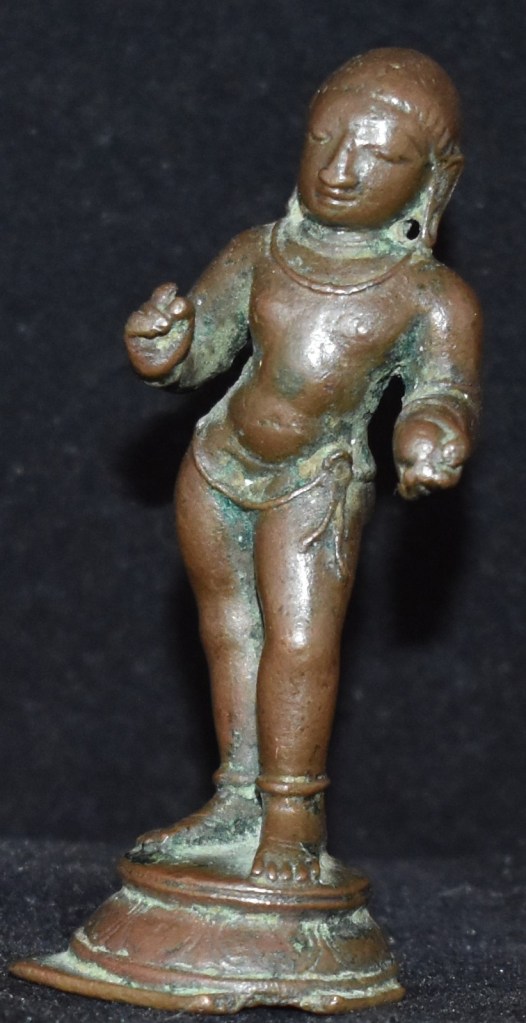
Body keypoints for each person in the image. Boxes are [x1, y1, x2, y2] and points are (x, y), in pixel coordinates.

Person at [124, 48, 482, 885]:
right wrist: (164, 346)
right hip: (217, 462)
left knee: (299, 643)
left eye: (379, 154)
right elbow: (202, 343)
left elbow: (445, 392)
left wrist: (431, 432)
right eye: (323, 139)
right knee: (228, 630)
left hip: (315, 482)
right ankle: (237, 800)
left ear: (434, 179)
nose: (339, 169)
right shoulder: (259, 251)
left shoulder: (430, 296)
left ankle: (292, 816)